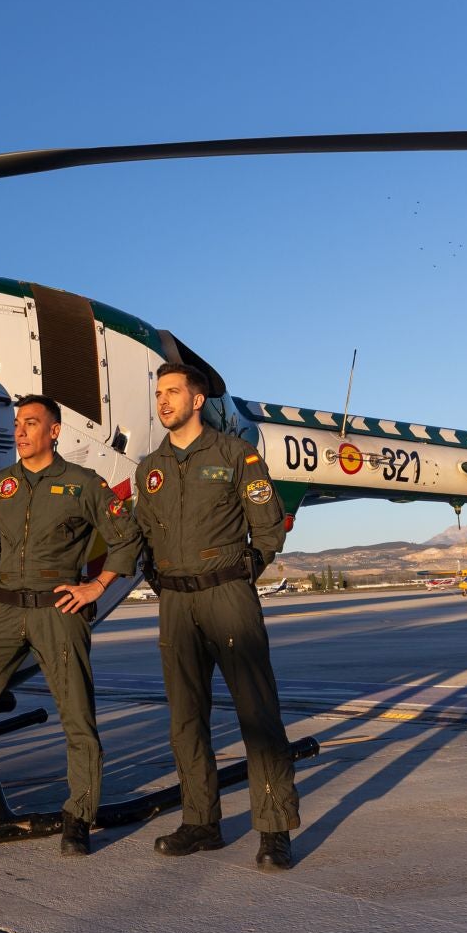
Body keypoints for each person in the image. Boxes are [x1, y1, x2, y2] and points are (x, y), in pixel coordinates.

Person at [0, 395, 139, 856]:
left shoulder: (82, 484)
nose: (19, 431)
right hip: (3, 610)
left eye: (31, 423)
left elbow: (127, 536)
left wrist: (96, 585)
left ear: (54, 432)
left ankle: (80, 812)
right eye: (17, 423)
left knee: (75, 712)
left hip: (58, 610)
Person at [131, 363, 301, 870]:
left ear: (197, 399)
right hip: (175, 604)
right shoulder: (150, 468)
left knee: (257, 711)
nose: (163, 401)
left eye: (173, 392)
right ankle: (201, 821)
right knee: (185, 718)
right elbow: (142, 530)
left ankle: (273, 828)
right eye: (158, 393)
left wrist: (247, 568)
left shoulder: (234, 454)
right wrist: (153, 573)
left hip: (227, 596)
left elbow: (268, 526)